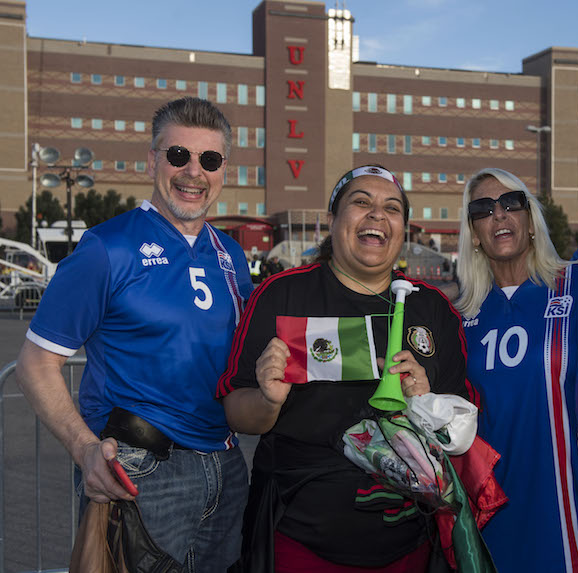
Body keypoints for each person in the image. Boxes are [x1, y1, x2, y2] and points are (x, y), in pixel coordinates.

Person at [16, 97, 253, 570]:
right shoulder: (108, 247)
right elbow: (34, 364)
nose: (193, 172)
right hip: (141, 469)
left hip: (226, 467)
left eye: (209, 159)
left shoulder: (231, 254)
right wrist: (85, 451)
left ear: (224, 169)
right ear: (152, 160)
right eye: (177, 155)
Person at [217, 164, 477, 572]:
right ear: (332, 220)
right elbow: (236, 412)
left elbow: (459, 433)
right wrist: (268, 400)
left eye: (392, 208)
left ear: (403, 229)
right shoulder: (282, 294)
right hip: (298, 539)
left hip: (408, 541)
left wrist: (427, 403)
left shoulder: (432, 308)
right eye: (361, 202)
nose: (377, 215)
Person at [455, 167, 578, 573]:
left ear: (531, 220)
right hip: (491, 507)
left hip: (569, 502)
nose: (499, 215)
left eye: (510, 203)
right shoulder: (458, 318)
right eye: (483, 209)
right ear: (474, 234)